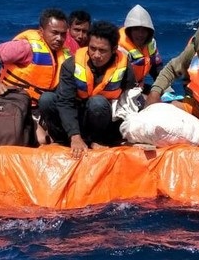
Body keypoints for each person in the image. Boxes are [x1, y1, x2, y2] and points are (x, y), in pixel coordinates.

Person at [39, 21, 136, 158]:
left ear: (114, 49)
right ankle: (62, 141)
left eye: (102, 51)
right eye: (92, 48)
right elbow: (65, 102)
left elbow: (130, 100)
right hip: (76, 117)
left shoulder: (125, 67)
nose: (96, 55)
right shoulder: (71, 65)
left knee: (97, 102)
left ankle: (96, 141)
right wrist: (75, 136)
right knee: (47, 99)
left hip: (105, 121)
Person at [0, 8, 70, 145]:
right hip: (14, 104)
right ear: (41, 31)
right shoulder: (26, 47)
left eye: (63, 34)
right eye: (54, 33)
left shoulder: (63, 55)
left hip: (39, 108)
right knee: (42, 140)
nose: (59, 38)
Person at [117, 4, 163, 90]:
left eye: (144, 30)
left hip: (138, 87)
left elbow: (157, 69)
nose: (140, 34)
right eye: (136, 29)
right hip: (120, 90)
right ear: (129, 31)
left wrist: (163, 89)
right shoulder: (119, 48)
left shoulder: (151, 44)